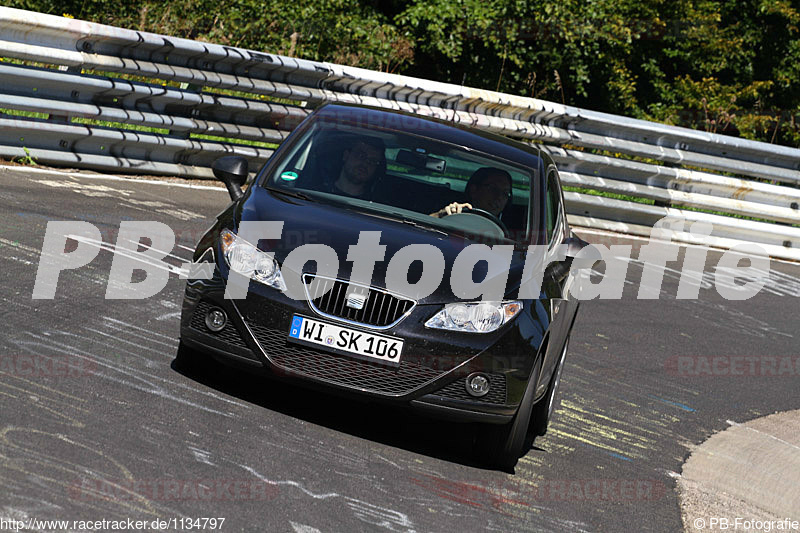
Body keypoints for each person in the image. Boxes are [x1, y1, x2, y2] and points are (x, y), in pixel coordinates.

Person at [431, 167, 513, 218]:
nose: (499, 197)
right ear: (474, 190)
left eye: (505, 193)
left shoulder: (512, 234)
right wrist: (441, 215)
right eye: (492, 189)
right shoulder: (456, 214)